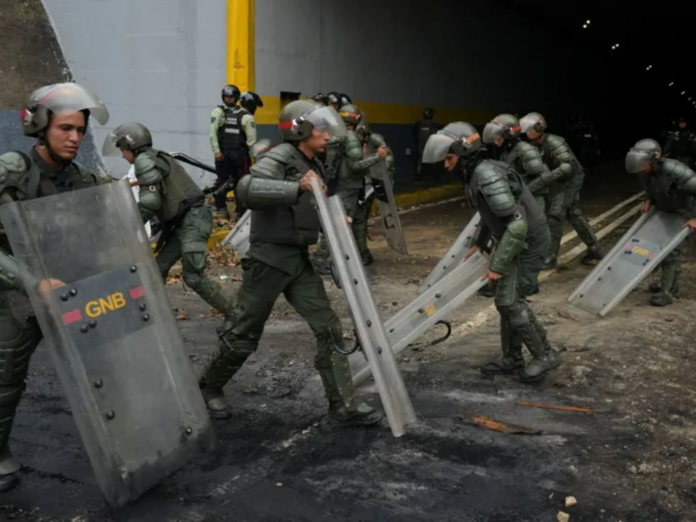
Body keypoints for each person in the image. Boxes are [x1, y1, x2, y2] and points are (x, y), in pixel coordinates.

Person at [197, 100, 382, 426]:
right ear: (301, 130)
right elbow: (248, 188)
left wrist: (336, 220)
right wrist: (296, 186)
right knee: (244, 332)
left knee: (328, 327)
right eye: (321, 129)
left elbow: (311, 207)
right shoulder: (283, 157)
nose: (327, 135)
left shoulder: (313, 161)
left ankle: (342, 404)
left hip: (297, 258)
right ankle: (209, 386)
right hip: (268, 259)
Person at [0, 83, 110, 493]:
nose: (75, 138)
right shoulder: (13, 170)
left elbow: (98, 235)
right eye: (66, 128)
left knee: (108, 362)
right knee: (6, 376)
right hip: (16, 291)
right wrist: (32, 281)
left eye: (80, 130)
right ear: (39, 126)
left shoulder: (80, 178)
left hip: (70, 289)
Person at [422, 122, 561, 382]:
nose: (445, 163)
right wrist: (479, 242)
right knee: (505, 300)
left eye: (448, 157)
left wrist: (496, 265)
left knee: (510, 301)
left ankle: (546, 354)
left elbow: (517, 223)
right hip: (514, 237)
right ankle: (512, 358)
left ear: (462, 152)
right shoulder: (475, 173)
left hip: (528, 239)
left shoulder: (485, 174)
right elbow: (488, 214)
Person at [103, 122, 235, 317]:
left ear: (131, 146)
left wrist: (127, 226)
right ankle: (147, 316)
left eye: (123, 150)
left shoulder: (144, 160)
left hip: (192, 221)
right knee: (158, 270)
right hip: (187, 221)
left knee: (193, 277)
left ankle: (238, 316)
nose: (122, 155)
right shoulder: (156, 157)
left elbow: (150, 202)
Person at [519, 112, 603, 269]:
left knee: (555, 215)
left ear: (540, 127)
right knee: (573, 212)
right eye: (527, 129)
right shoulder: (534, 145)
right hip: (559, 180)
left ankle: (550, 257)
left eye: (531, 129)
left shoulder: (554, 142)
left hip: (571, 179)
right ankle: (594, 248)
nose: (528, 132)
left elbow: (568, 168)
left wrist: (543, 181)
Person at [312, 104, 388, 271]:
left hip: (347, 185)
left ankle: (362, 254)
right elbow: (356, 166)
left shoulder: (337, 134)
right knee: (339, 222)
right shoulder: (351, 137)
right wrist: (378, 157)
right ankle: (320, 258)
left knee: (359, 220)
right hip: (348, 187)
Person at [482, 113, 550, 296]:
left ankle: (527, 283)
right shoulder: (507, 151)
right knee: (510, 236)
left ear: (508, 135)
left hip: (534, 199)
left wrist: (522, 191)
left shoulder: (524, 149)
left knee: (530, 240)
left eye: (498, 136)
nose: (495, 141)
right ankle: (500, 280)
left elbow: (541, 175)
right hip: (521, 199)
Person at [626, 139, 696, 306]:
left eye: (643, 163)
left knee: (672, 252)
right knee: (659, 248)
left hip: (684, 212)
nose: (640, 168)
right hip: (666, 210)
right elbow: (651, 187)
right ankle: (670, 284)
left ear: (654, 159)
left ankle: (667, 293)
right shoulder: (647, 172)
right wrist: (648, 200)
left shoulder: (675, 171)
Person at [209, 84, 256, 220]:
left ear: (236, 98)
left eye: (231, 97)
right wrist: (217, 151)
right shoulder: (219, 112)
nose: (228, 99)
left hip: (235, 153)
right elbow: (213, 133)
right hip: (228, 153)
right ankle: (227, 210)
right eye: (226, 97)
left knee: (236, 181)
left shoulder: (242, 115)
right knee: (235, 181)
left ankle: (237, 211)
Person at [356, 113, 396, 265]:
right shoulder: (354, 142)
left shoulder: (376, 139)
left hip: (376, 181)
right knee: (360, 216)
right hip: (364, 181)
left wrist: (378, 171)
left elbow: (389, 158)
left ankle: (363, 252)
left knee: (363, 216)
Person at [414, 108, 438, 180]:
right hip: (430, 145)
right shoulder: (433, 124)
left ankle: (418, 174)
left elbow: (415, 133)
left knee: (420, 160)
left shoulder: (419, 123)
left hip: (420, 145)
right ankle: (435, 175)